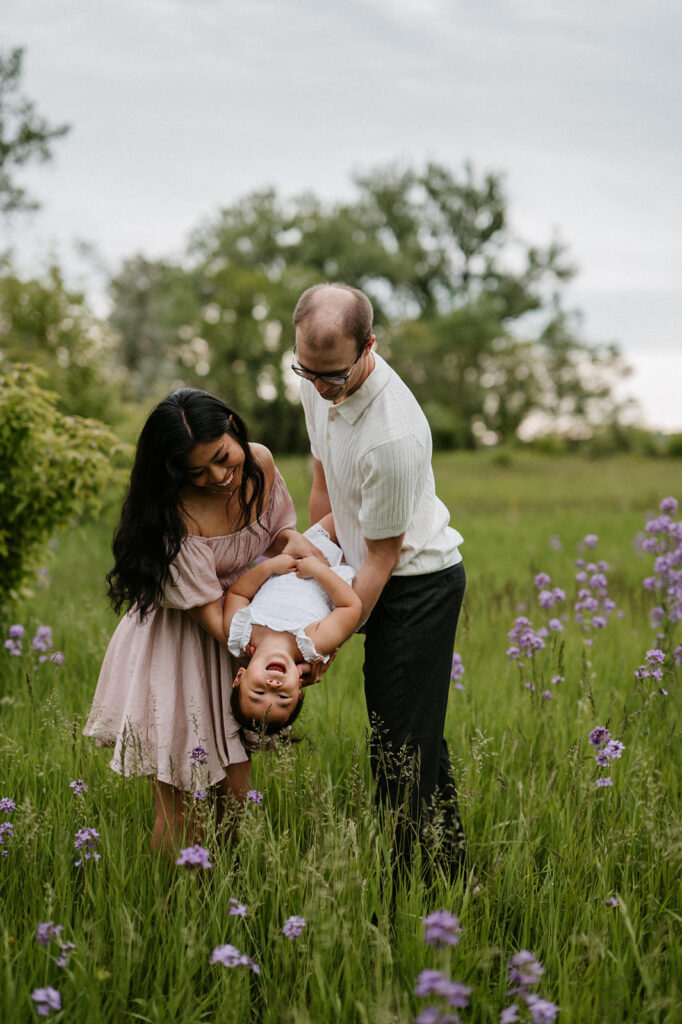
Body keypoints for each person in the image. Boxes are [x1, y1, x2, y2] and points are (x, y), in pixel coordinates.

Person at [83, 387, 321, 853]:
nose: (219, 477)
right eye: (197, 471)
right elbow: (215, 618)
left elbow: (275, 533)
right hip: (185, 645)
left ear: (233, 424)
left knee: (235, 800)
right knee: (183, 809)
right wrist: (284, 656)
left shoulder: (260, 464)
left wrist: (291, 541)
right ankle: (165, 911)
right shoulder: (173, 515)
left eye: (222, 457)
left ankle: (223, 906)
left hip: (244, 634)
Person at [292, 282, 467, 884]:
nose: (320, 388)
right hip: (362, 563)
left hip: (415, 586)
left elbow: (383, 558)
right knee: (410, 735)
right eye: (306, 372)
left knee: (400, 749)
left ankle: (411, 889)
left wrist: (325, 642)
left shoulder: (393, 435)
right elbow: (323, 486)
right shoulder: (317, 378)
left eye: (333, 377)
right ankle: (452, 875)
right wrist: (313, 574)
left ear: (369, 346)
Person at [226, 522, 361, 736]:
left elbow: (238, 594)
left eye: (258, 692)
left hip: (304, 544)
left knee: (327, 495)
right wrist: (318, 570)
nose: (273, 685)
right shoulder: (312, 644)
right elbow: (350, 608)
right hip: (340, 560)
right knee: (350, 512)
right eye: (282, 697)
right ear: (298, 689)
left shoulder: (241, 631)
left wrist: (268, 567)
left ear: (240, 677)